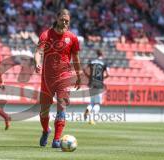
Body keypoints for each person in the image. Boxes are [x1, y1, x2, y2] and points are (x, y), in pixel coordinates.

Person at [34, 9, 81, 148]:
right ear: (57, 18)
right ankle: (46, 130)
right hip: (47, 79)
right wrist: (37, 62)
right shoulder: (46, 35)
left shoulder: (72, 38)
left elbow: (76, 59)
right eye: (62, 19)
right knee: (44, 110)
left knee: (62, 107)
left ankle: (56, 139)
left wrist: (79, 75)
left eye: (67, 20)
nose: (65, 22)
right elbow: (38, 52)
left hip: (64, 77)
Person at [83, 49, 109, 123]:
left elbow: (84, 70)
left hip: (91, 83)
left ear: (97, 54)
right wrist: (102, 78)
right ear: (102, 54)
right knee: (97, 103)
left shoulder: (92, 61)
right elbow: (108, 74)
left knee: (91, 102)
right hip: (99, 84)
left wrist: (89, 77)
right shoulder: (104, 62)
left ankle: (88, 109)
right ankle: (92, 119)